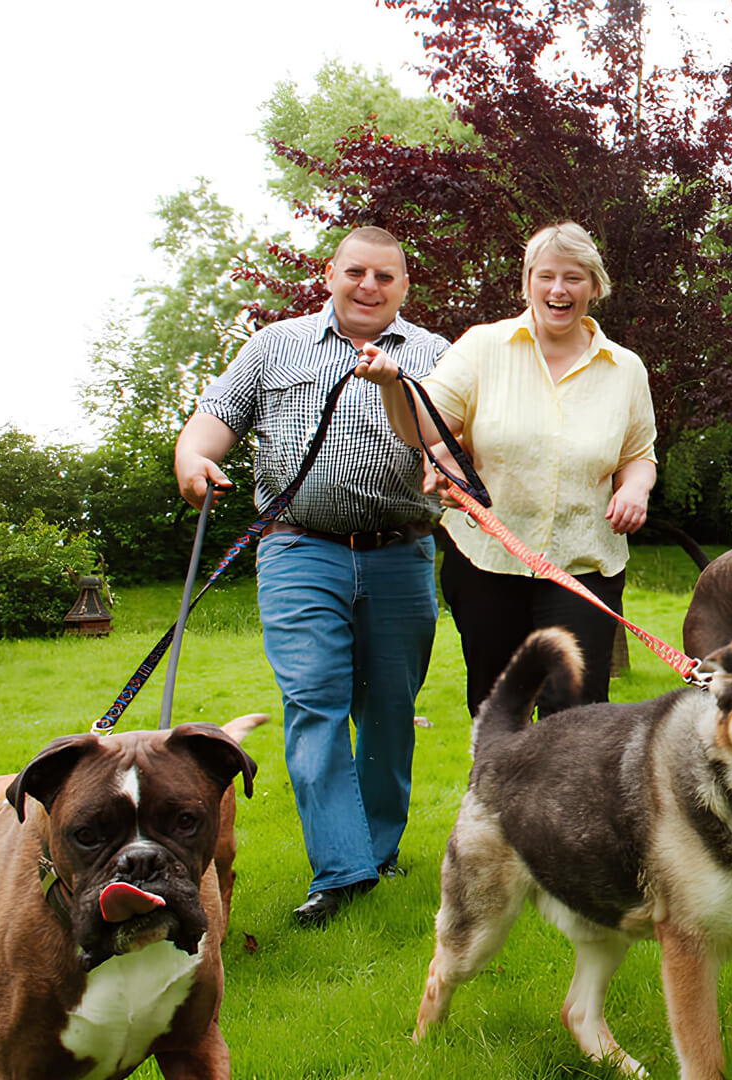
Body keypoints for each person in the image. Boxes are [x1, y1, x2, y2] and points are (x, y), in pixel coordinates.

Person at [174, 226, 449, 928]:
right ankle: (343, 872)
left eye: (385, 276)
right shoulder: (276, 345)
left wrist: (446, 466)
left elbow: (456, 442)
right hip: (299, 548)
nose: (369, 286)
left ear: (405, 286)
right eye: (356, 271)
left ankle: (379, 853)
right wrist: (194, 463)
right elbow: (212, 421)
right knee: (314, 702)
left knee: (389, 710)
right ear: (330, 274)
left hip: (402, 549)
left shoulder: (436, 355)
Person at [356, 220, 656, 721]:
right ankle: (499, 802)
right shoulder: (482, 347)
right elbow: (425, 430)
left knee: (576, 721)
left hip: (582, 567)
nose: (558, 290)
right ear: (527, 282)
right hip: (488, 562)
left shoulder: (625, 369)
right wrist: (392, 384)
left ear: (594, 287)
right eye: (546, 276)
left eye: (574, 277)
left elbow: (637, 456)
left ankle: (567, 804)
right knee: (499, 716)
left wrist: (637, 491)